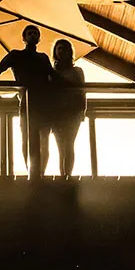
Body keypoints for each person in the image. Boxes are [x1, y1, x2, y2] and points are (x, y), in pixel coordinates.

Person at [0, 25, 54, 178]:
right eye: (30, 33)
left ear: (38, 38)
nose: (33, 35)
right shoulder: (17, 55)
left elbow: (53, 77)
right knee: (28, 138)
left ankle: (39, 174)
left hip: (42, 103)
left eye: (35, 33)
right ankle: (33, 174)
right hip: (29, 103)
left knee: (42, 139)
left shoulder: (42, 58)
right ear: (24, 38)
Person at [49, 38, 86, 178]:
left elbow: (82, 91)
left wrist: (82, 110)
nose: (62, 52)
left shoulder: (76, 71)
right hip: (57, 112)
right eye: (59, 49)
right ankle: (64, 175)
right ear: (56, 52)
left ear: (69, 52)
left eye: (64, 49)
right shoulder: (52, 72)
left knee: (68, 144)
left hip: (72, 112)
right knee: (61, 147)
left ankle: (67, 175)